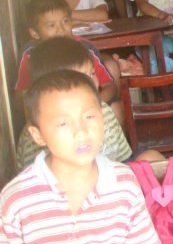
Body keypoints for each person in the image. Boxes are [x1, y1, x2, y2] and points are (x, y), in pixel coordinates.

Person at [0, 70, 162, 244]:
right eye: (63, 123)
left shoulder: (123, 182)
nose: (81, 131)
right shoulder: (17, 199)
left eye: (89, 116)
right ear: (38, 135)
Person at [16, 37, 132, 170]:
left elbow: (122, 161)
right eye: (81, 78)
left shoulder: (104, 110)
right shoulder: (38, 131)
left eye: (92, 73)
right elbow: (32, 178)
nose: (92, 83)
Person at [15, 0, 120, 119]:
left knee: (116, 108)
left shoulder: (85, 48)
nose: (61, 29)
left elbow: (109, 86)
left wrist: (91, 104)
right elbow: (21, 94)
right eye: (51, 25)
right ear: (35, 33)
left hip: (88, 107)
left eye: (65, 21)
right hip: (52, 114)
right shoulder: (30, 54)